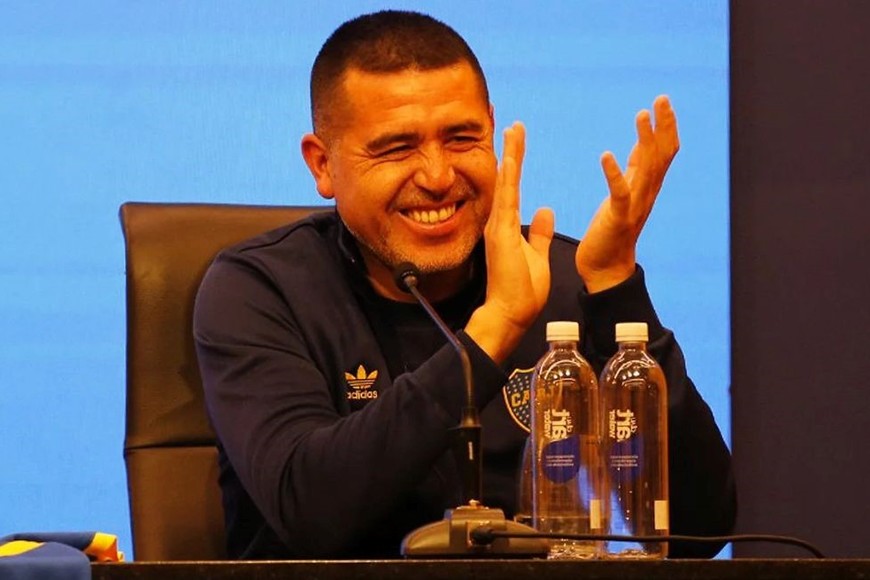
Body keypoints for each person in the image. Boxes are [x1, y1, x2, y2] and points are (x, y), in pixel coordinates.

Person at [193, 10, 736, 559]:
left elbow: (702, 528)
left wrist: (616, 290)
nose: (437, 177)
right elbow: (309, 510)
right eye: (396, 148)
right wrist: (493, 331)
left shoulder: (568, 280)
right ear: (322, 164)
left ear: (491, 130)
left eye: (461, 138)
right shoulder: (260, 290)